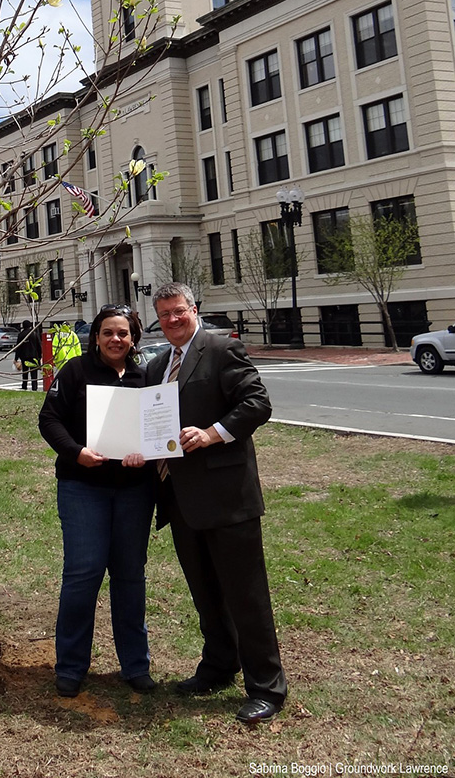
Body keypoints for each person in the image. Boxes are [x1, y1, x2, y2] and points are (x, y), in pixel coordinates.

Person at [143, 282, 286, 723]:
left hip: (227, 498)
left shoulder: (221, 349)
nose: (172, 320)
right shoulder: (157, 367)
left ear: (194, 309)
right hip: (181, 500)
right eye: (164, 314)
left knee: (246, 596)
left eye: (178, 311)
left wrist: (211, 433)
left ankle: (267, 686)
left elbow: (257, 403)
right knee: (205, 593)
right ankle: (219, 666)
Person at [38, 305, 156, 698]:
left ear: (133, 337)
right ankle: (71, 666)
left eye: (123, 333)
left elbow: (157, 428)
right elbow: (49, 419)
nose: (115, 340)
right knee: (83, 574)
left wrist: (147, 453)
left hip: (134, 490)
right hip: (82, 486)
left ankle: (136, 665)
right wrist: (76, 452)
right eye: (107, 332)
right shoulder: (75, 372)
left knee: (129, 575)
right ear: (96, 337)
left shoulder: (146, 378)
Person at [14, 319, 42, 391]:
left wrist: (16, 358)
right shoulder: (34, 334)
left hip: (24, 356)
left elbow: (18, 347)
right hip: (33, 356)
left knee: (25, 372)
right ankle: (34, 387)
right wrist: (39, 356)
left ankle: (24, 385)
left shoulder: (21, 335)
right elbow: (39, 346)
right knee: (34, 373)